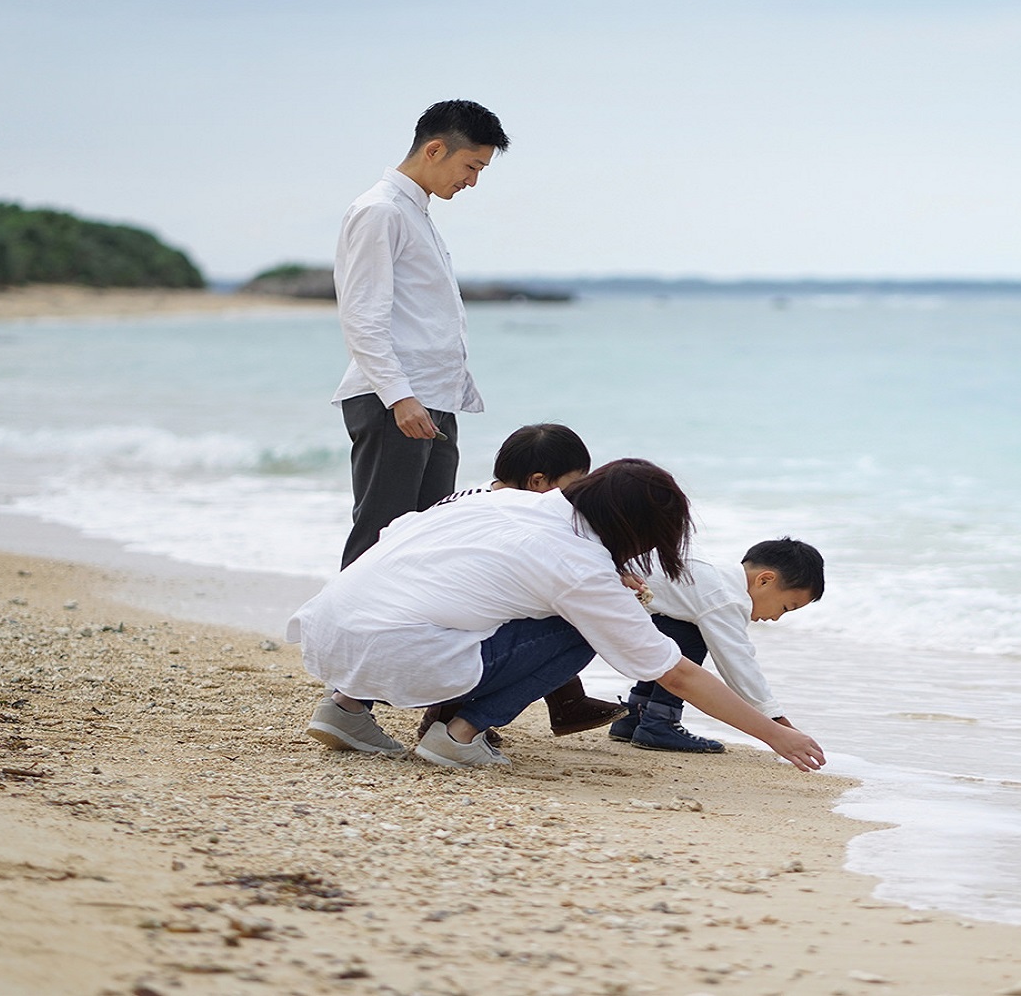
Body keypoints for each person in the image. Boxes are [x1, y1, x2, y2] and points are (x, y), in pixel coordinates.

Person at [286, 459, 825, 772]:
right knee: (580, 627)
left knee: (447, 605)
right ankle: (459, 735)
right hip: (402, 655)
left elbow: (396, 533)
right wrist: (776, 736)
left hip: (330, 632)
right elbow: (675, 671)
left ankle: (344, 708)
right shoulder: (580, 565)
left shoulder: (502, 502)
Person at [333, 100, 509, 569]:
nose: (472, 181)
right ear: (435, 150)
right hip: (399, 400)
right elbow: (362, 316)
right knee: (382, 536)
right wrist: (399, 397)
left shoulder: (414, 212)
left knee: (426, 539)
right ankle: (343, 638)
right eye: (471, 166)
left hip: (433, 397)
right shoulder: (380, 211)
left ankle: (405, 642)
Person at [426, 423, 628, 739]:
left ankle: (567, 700)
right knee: (571, 613)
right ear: (538, 482)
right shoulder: (519, 516)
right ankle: (451, 720)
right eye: (573, 485)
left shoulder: (461, 498)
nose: (577, 496)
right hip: (442, 648)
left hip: (406, 629)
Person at [610, 538, 823, 753]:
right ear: (765, 580)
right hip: (602, 612)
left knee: (683, 626)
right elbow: (738, 665)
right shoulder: (726, 597)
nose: (776, 618)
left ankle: (636, 715)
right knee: (694, 635)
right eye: (786, 607)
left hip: (608, 602)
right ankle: (660, 722)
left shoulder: (713, 570)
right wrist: (777, 722)